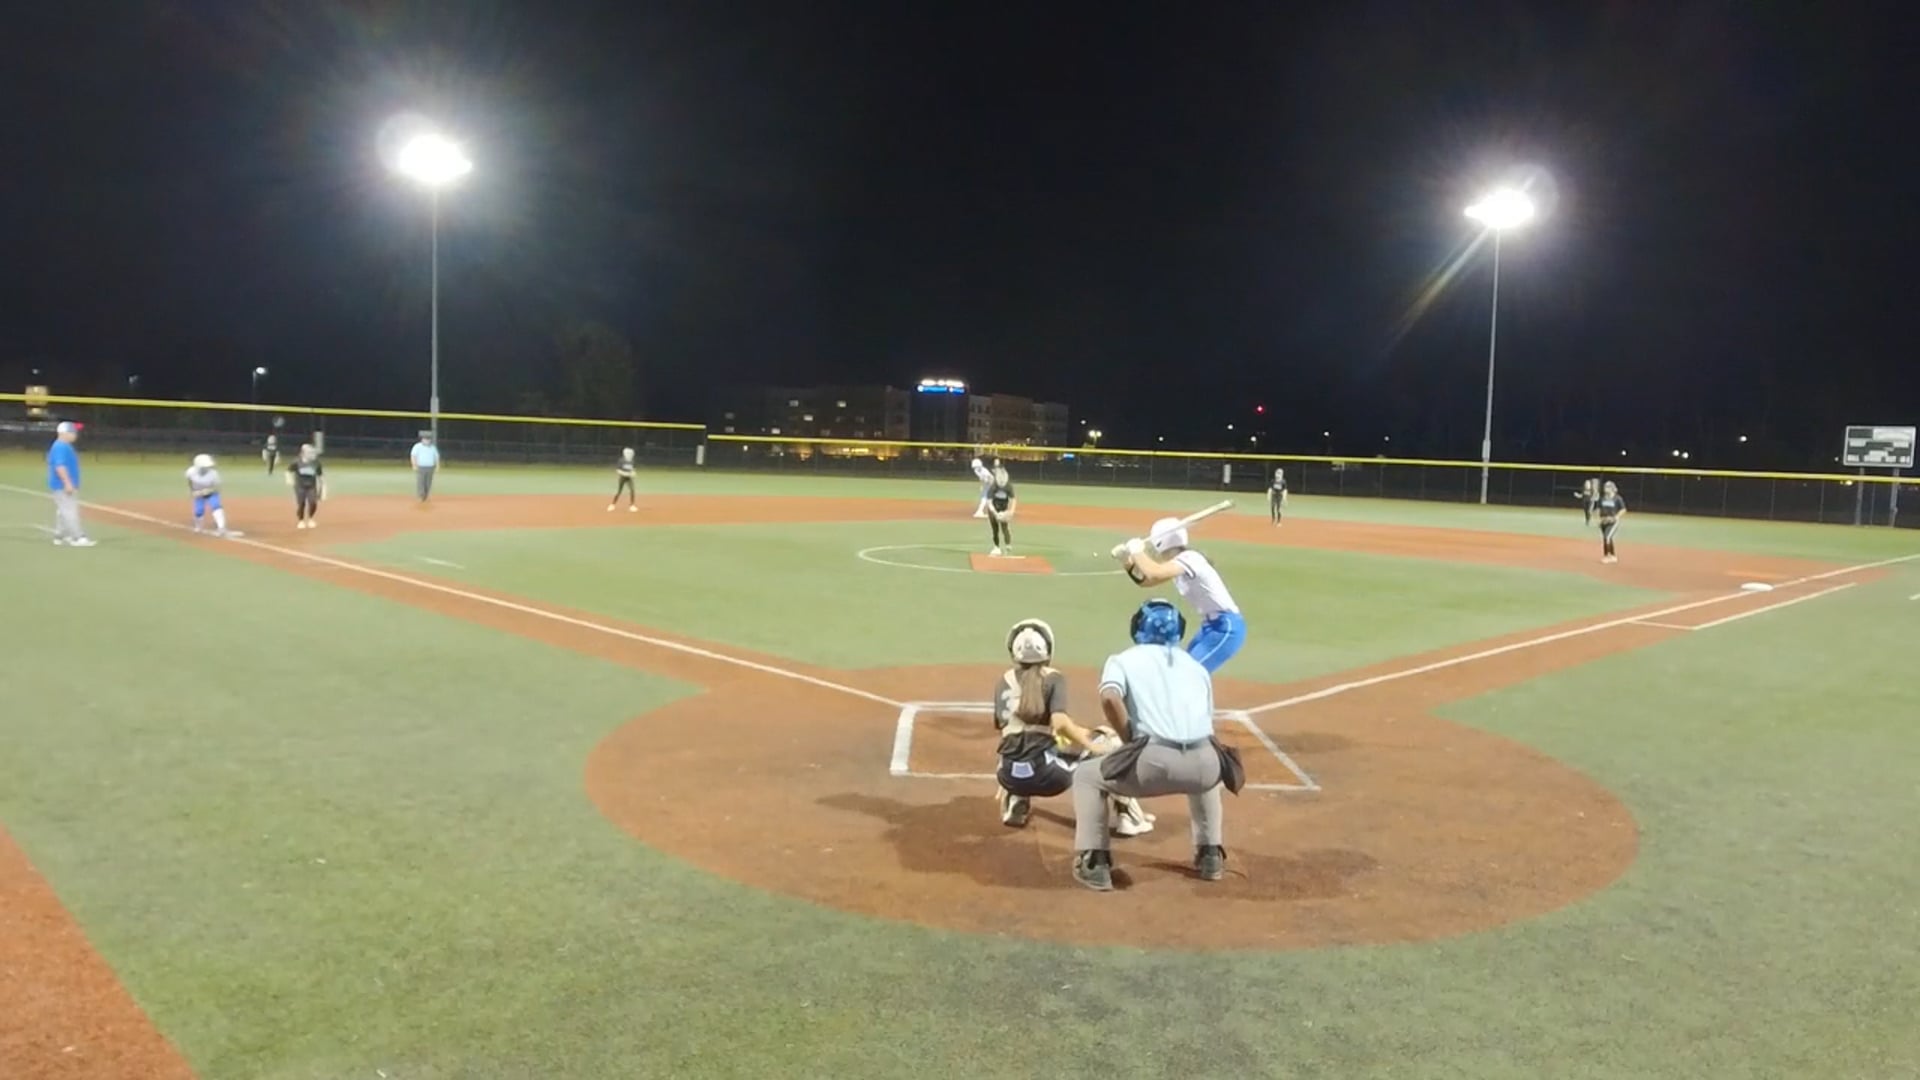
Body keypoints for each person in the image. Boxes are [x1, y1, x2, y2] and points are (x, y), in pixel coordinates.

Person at [1070, 599, 1230, 891]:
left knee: (1086, 776)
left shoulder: (1123, 659)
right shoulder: (1196, 667)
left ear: (1137, 628)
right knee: (1205, 773)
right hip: (1206, 764)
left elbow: (1109, 698)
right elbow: (1204, 724)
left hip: (1153, 763)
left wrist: (1129, 737)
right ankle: (1211, 855)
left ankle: (1094, 861)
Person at [991, 618, 1155, 836]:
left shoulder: (1003, 681)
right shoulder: (1053, 678)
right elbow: (1060, 723)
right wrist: (1092, 744)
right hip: (1047, 776)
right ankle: (1129, 817)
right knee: (1111, 744)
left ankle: (1017, 800)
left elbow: (1012, 731)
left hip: (1007, 775)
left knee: (1022, 748)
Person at [1115, 517, 1247, 673]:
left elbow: (1154, 573)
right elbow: (1147, 581)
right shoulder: (1181, 562)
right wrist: (1127, 563)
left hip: (1226, 628)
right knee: (1182, 672)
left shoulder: (1190, 558)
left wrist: (1137, 551)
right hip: (1211, 626)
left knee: (1189, 674)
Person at [45, 421, 95, 547]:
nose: (75, 434)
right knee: (70, 510)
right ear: (64, 433)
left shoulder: (63, 446)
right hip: (62, 485)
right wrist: (67, 482)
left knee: (63, 511)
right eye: (73, 432)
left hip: (61, 484)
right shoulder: (61, 447)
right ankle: (77, 537)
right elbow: (60, 466)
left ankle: (60, 536)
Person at [185, 453, 231, 536]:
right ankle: (198, 527)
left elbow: (217, 487)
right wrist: (192, 491)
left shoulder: (213, 474)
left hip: (211, 492)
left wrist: (207, 491)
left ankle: (221, 527)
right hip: (198, 493)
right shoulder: (190, 472)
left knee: (216, 506)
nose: (206, 468)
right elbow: (190, 482)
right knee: (199, 511)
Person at [286, 444, 326, 529]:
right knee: (301, 503)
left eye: (312, 452)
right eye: (309, 452)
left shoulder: (316, 463)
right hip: (300, 486)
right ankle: (301, 520)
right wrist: (289, 480)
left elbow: (320, 475)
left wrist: (323, 487)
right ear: (303, 453)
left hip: (311, 486)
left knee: (313, 502)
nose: (311, 454)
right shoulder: (297, 462)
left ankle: (311, 518)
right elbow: (288, 471)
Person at [984, 463, 1017, 556]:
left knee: (1005, 526)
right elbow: (989, 502)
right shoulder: (993, 486)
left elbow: (1013, 499)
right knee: (995, 528)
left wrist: (1011, 512)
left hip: (1004, 507)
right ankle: (996, 547)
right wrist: (995, 513)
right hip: (993, 506)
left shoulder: (1008, 486)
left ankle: (1008, 545)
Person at [1596, 480, 1627, 564]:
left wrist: (1616, 517)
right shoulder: (1602, 498)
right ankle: (1612, 556)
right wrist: (1599, 519)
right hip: (1604, 521)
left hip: (1612, 522)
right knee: (1606, 538)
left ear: (1612, 488)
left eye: (1608, 487)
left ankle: (1607, 556)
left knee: (1607, 537)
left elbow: (1623, 509)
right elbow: (1599, 509)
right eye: (1605, 487)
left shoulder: (1617, 498)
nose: (1606, 488)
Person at [410, 432, 439, 503]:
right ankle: (421, 495)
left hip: (430, 467)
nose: (427, 441)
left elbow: (436, 457)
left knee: (428, 482)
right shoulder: (417, 446)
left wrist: (437, 466)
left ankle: (426, 495)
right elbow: (413, 456)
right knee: (421, 481)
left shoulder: (433, 447)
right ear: (422, 439)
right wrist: (414, 465)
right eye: (425, 439)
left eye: (428, 439)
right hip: (421, 466)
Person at [608, 448, 639, 512]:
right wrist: (626, 474)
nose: (630, 454)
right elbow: (618, 470)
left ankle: (632, 505)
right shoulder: (621, 460)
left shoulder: (632, 461)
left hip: (629, 478)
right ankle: (612, 504)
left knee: (632, 490)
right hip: (622, 478)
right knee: (619, 491)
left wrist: (633, 473)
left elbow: (633, 469)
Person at [970, 451, 998, 518]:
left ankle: (982, 511)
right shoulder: (977, 470)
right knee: (986, 497)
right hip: (988, 484)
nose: (975, 468)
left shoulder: (982, 470)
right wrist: (983, 485)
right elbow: (983, 479)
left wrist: (987, 485)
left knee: (986, 497)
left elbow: (989, 478)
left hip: (991, 483)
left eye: (976, 467)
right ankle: (981, 511)